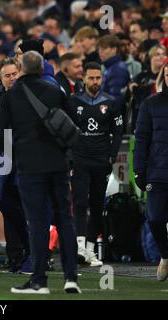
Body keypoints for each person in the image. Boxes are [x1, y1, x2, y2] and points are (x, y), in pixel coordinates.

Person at [0, 51, 81, 294]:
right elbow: (71, 122)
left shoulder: (12, 96)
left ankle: (39, 280)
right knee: (65, 218)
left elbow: (0, 132)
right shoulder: (56, 91)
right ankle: (71, 277)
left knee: (38, 222)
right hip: (58, 164)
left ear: (21, 68)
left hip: (30, 167)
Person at [67, 62, 123, 266]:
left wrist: (112, 156)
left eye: (97, 78)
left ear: (102, 78)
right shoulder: (73, 102)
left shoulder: (111, 101)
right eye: (91, 78)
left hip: (101, 161)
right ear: (83, 79)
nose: (94, 82)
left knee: (97, 205)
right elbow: (67, 130)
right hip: (80, 159)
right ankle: (80, 247)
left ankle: (90, 250)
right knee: (80, 202)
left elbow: (117, 132)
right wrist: (70, 157)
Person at [0, 58, 32, 273]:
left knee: (28, 207)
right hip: (3, 162)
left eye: (15, 74)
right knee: (6, 204)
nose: (12, 78)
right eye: (7, 75)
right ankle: (16, 256)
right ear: (0, 78)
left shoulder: (31, 96)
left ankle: (33, 254)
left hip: (27, 161)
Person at [134, 63, 168, 282]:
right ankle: (165, 255)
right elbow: (141, 138)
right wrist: (139, 170)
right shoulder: (151, 104)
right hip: (158, 171)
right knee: (154, 218)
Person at [97, 35, 130, 111]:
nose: (100, 51)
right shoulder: (110, 67)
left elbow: (116, 100)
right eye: (99, 49)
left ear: (114, 49)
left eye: (104, 48)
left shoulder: (117, 69)